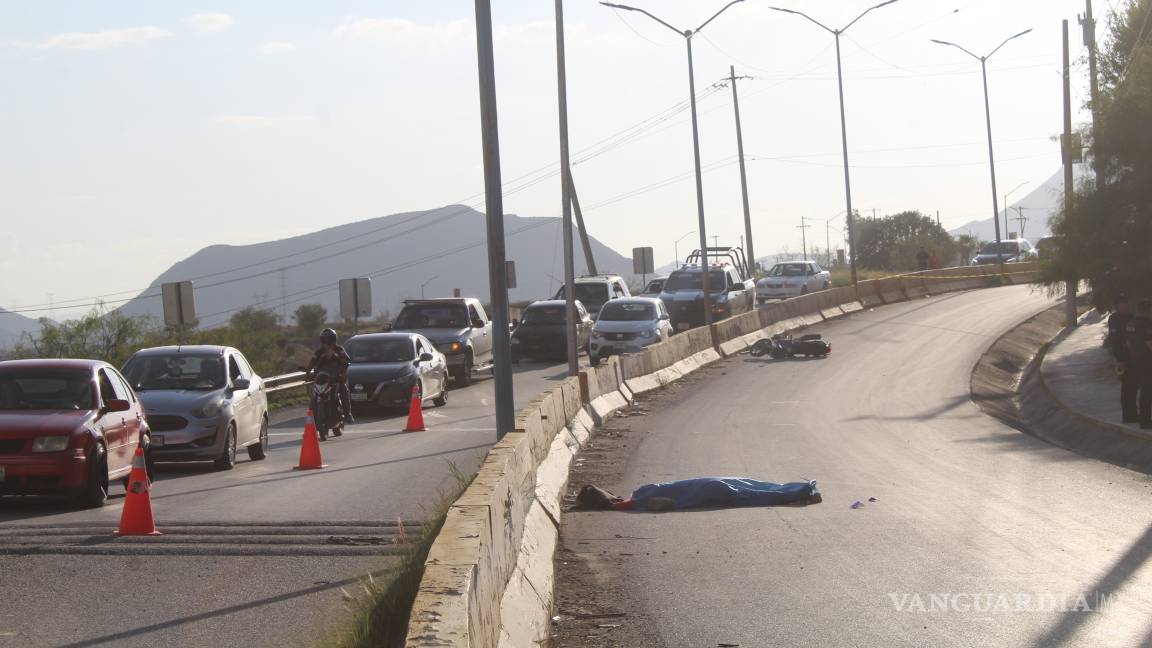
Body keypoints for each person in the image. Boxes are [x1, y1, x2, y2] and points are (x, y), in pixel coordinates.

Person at [308, 328, 353, 423]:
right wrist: (308, 372)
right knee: (314, 398)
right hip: (322, 378)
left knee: (344, 390)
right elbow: (312, 363)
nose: (327, 342)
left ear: (334, 339)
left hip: (336, 378)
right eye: (325, 339)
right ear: (321, 340)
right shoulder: (319, 352)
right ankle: (312, 421)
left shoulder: (339, 350)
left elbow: (346, 361)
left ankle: (347, 414)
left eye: (329, 339)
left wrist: (343, 372)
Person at [1108, 296, 1138, 422]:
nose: (1125, 305)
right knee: (1127, 386)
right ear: (1117, 305)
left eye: (1126, 302)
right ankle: (1127, 415)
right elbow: (1114, 341)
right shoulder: (1114, 319)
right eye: (1122, 303)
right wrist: (1119, 359)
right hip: (1123, 356)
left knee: (1134, 386)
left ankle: (1133, 413)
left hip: (1135, 356)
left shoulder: (1131, 316)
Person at [1125, 300, 1152, 429]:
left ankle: (1140, 418)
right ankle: (1145, 420)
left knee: (1140, 390)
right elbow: (1150, 343)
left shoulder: (1131, 323)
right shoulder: (1146, 324)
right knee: (1147, 391)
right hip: (1147, 361)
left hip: (1135, 360)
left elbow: (1128, 342)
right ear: (1148, 310)